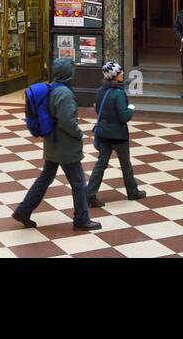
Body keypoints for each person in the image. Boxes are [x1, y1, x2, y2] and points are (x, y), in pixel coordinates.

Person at [13, 57, 101, 231]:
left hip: (52, 142)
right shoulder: (65, 94)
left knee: (45, 178)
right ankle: (81, 219)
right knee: (78, 183)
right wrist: (79, 133)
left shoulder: (51, 89)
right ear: (68, 73)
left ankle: (23, 210)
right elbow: (67, 121)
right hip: (66, 145)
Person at [86, 61, 146, 206]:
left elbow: (97, 110)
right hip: (118, 135)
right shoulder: (118, 93)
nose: (123, 74)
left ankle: (90, 194)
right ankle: (133, 192)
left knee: (101, 164)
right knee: (126, 165)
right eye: (120, 72)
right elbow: (124, 116)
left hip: (103, 133)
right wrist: (131, 108)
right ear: (114, 76)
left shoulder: (100, 90)